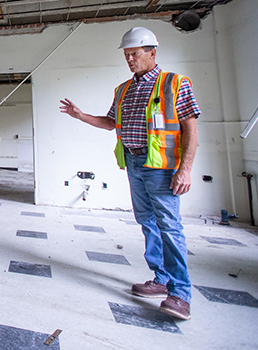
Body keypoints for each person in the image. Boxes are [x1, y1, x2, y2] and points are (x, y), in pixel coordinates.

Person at [59, 27, 200, 321]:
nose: (130, 59)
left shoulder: (174, 83)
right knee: (147, 222)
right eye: (126, 55)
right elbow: (111, 123)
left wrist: (185, 169)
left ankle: (180, 294)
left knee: (169, 226)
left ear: (152, 52)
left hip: (162, 169)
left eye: (135, 53)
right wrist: (80, 115)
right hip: (134, 164)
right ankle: (160, 279)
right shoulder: (124, 90)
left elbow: (190, 129)